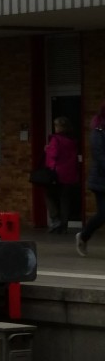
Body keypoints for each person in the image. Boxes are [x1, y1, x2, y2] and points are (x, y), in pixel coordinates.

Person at [77, 105, 105, 255]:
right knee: (103, 214)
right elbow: (99, 156)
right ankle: (83, 236)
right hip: (100, 180)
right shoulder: (98, 131)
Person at [45, 116, 79, 234]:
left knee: (49, 196)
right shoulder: (73, 140)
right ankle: (64, 224)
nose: (55, 127)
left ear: (61, 127)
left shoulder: (56, 139)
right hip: (70, 174)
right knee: (65, 200)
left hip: (57, 173)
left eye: (56, 125)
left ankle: (55, 220)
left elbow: (53, 156)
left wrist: (47, 149)